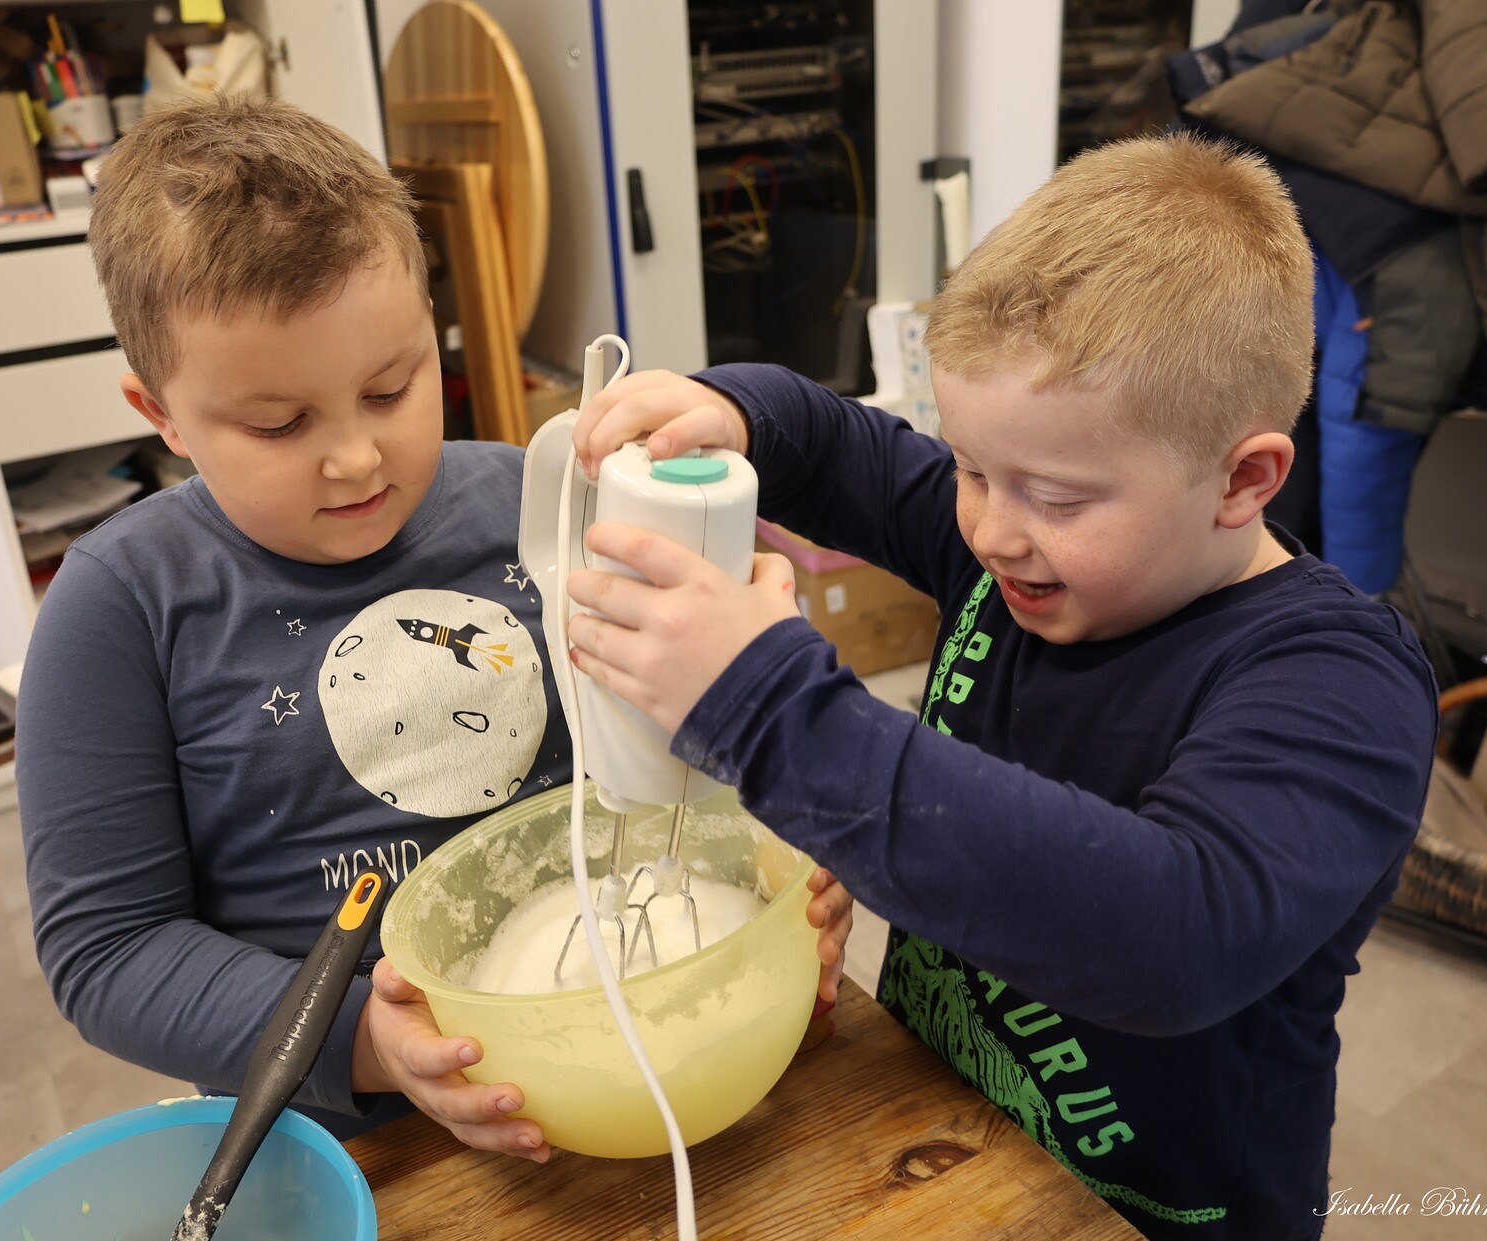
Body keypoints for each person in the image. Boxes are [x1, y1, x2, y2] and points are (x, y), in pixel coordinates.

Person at [562, 132, 1436, 1239]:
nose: (988, 527)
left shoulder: (1339, 682)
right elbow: (832, 442)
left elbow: (1176, 934)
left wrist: (771, 707)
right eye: (970, 465)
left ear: (1242, 479)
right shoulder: (1007, 547)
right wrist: (726, 411)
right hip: (939, 1133)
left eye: (1055, 498)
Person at [15, 94, 856, 1159]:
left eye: (391, 387)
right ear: (161, 414)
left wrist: (786, 866)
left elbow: (685, 746)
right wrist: (363, 1040)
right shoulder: (119, 607)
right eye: (279, 423)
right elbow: (109, 950)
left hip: (654, 1055)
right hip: (359, 1142)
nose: (355, 457)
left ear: (430, 323)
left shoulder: (539, 508)